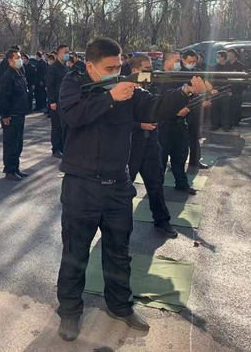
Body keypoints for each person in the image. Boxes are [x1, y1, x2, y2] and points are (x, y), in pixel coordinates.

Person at [56, 37, 210, 341]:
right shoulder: (72, 83)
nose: (116, 72)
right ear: (90, 66)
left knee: (118, 253)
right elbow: (73, 115)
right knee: (75, 254)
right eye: (109, 68)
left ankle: (120, 306)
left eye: (119, 66)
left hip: (118, 185)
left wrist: (184, 92)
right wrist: (110, 97)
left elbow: (153, 108)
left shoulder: (127, 87)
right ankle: (70, 312)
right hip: (81, 185)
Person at [127, 54, 178, 238]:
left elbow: (161, 109)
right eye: (146, 69)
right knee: (125, 190)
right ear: (135, 71)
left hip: (151, 144)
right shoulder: (125, 92)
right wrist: (140, 125)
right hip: (131, 146)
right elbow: (117, 122)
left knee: (156, 185)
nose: (150, 72)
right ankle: (119, 226)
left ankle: (162, 220)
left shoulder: (152, 89)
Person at [157, 51, 197, 195]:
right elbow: (158, 102)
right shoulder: (158, 78)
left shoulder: (179, 77)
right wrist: (174, 111)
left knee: (180, 155)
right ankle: (156, 187)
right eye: (176, 61)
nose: (178, 63)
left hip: (180, 123)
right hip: (164, 124)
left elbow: (188, 96)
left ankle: (182, 184)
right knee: (161, 158)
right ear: (167, 62)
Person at [0, 50, 30, 181]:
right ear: (10, 60)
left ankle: (16, 167)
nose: (20, 60)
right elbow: (3, 96)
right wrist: (5, 114)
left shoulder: (19, 74)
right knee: (11, 144)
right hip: (12, 115)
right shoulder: (8, 76)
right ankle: (9, 169)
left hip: (20, 113)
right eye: (17, 58)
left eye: (20, 57)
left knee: (18, 143)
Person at [180, 50, 209, 169]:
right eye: (189, 61)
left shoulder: (198, 72)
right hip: (183, 109)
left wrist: (205, 99)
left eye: (193, 61)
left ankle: (195, 161)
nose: (191, 64)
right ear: (183, 60)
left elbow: (205, 88)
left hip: (196, 109)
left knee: (195, 136)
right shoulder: (178, 73)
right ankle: (179, 162)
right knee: (181, 139)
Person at [46, 45, 70, 158]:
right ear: (59, 54)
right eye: (65, 52)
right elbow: (50, 85)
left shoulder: (65, 67)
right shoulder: (53, 68)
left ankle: (62, 147)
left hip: (64, 100)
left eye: (68, 52)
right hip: (56, 101)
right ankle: (55, 148)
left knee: (63, 125)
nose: (67, 54)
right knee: (56, 126)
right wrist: (52, 101)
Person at [211, 51, 232, 131]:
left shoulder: (229, 67)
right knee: (215, 108)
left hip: (226, 90)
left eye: (218, 57)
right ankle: (214, 125)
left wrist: (231, 90)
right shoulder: (214, 67)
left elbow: (232, 79)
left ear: (223, 58)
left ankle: (225, 125)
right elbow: (211, 79)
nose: (217, 59)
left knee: (225, 109)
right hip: (215, 90)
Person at [227, 48, 246, 126]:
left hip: (238, 89)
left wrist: (244, 88)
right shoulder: (226, 65)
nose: (230, 57)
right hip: (227, 89)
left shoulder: (240, 66)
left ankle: (236, 121)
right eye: (228, 55)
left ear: (235, 56)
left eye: (231, 55)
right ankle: (229, 121)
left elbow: (244, 79)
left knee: (237, 105)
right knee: (228, 106)